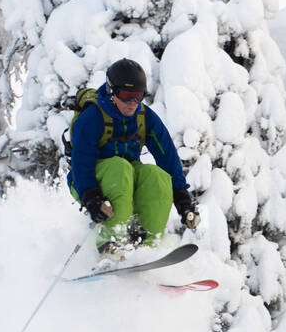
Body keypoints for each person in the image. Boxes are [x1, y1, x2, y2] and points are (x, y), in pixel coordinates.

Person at [67, 58, 199, 259]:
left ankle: (146, 248)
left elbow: (167, 156)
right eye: (127, 96)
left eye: (138, 96)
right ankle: (110, 243)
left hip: (125, 176)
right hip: (88, 181)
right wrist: (90, 196)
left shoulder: (144, 117)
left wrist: (181, 196)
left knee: (157, 176)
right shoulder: (93, 117)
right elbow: (81, 160)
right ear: (112, 92)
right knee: (120, 168)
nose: (133, 103)